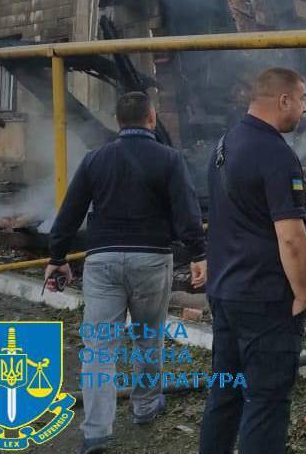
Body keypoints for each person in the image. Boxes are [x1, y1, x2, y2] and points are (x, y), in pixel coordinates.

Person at [46, 91, 207, 454]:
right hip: (151, 260)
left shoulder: (94, 160)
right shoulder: (169, 159)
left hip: (101, 261)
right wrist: (199, 253)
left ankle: (96, 433)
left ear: (119, 121)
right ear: (151, 119)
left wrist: (57, 257)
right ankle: (146, 407)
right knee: (148, 337)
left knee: (99, 348)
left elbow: (69, 212)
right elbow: (187, 211)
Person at [199, 68, 306, 454]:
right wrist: (301, 291)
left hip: (226, 293)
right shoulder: (276, 154)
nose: (304, 109)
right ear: (283, 100)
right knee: (266, 400)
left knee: (225, 392)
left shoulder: (225, 144)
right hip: (264, 299)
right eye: (301, 100)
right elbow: (291, 237)